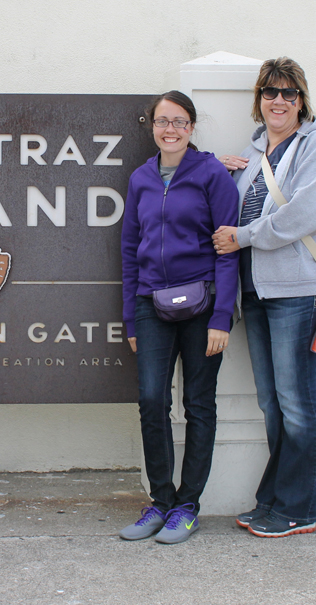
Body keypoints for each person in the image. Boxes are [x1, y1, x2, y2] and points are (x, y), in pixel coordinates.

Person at [213, 57, 316, 538]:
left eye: (289, 92)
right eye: (270, 92)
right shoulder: (255, 149)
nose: (279, 100)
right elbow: (245, 204)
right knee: (272, 400)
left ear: (302, 99)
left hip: (299, 292)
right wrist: (221, 173)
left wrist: (243, 238)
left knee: (297, 400)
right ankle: (275, 499)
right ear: (259, 99)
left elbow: (305, 214)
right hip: (259, 291)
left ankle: (300, 508)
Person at [119, 91, 239, 544]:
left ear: (192, 128)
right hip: (152, 303)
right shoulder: (140, 179)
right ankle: (162, 501)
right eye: (162, 121)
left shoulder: (211, 175)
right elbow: (130, 250)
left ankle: (188, 506)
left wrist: (221, 318)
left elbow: (227, 251)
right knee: (152, 400)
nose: (170, 129)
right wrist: (132, 317)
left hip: (203, 303)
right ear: (151, 126)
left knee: (198, 404)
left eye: (180, 122)